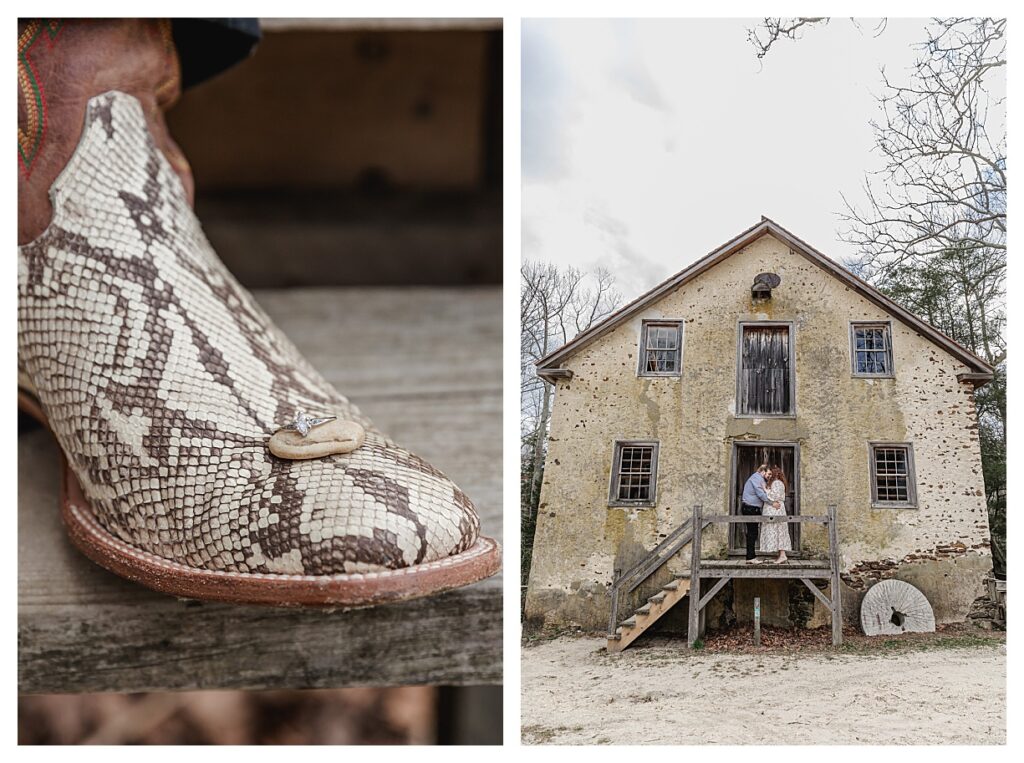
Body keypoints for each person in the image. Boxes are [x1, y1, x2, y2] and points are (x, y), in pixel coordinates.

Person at [740, 463, 780, 563]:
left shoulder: (759, 479)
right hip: (750, 508)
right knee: (752, 533)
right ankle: (750, 558)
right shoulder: (756, 478)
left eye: (771, 474)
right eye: (769, 474)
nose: (770, 476)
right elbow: (761, 494)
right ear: (763, 471)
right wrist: (772, 503)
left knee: (753, 533)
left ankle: (751, 557)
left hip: (753, 508)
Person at [760, 465, 792, 564]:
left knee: (778, 531)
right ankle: (781, 555)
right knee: (777, 531)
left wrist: (765, 490)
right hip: (775, 510)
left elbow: (775, 496)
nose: (769, 476)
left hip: (776, 510)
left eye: (770, 474)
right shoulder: (777, 482)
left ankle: (783, 555)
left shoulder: (777, 482)